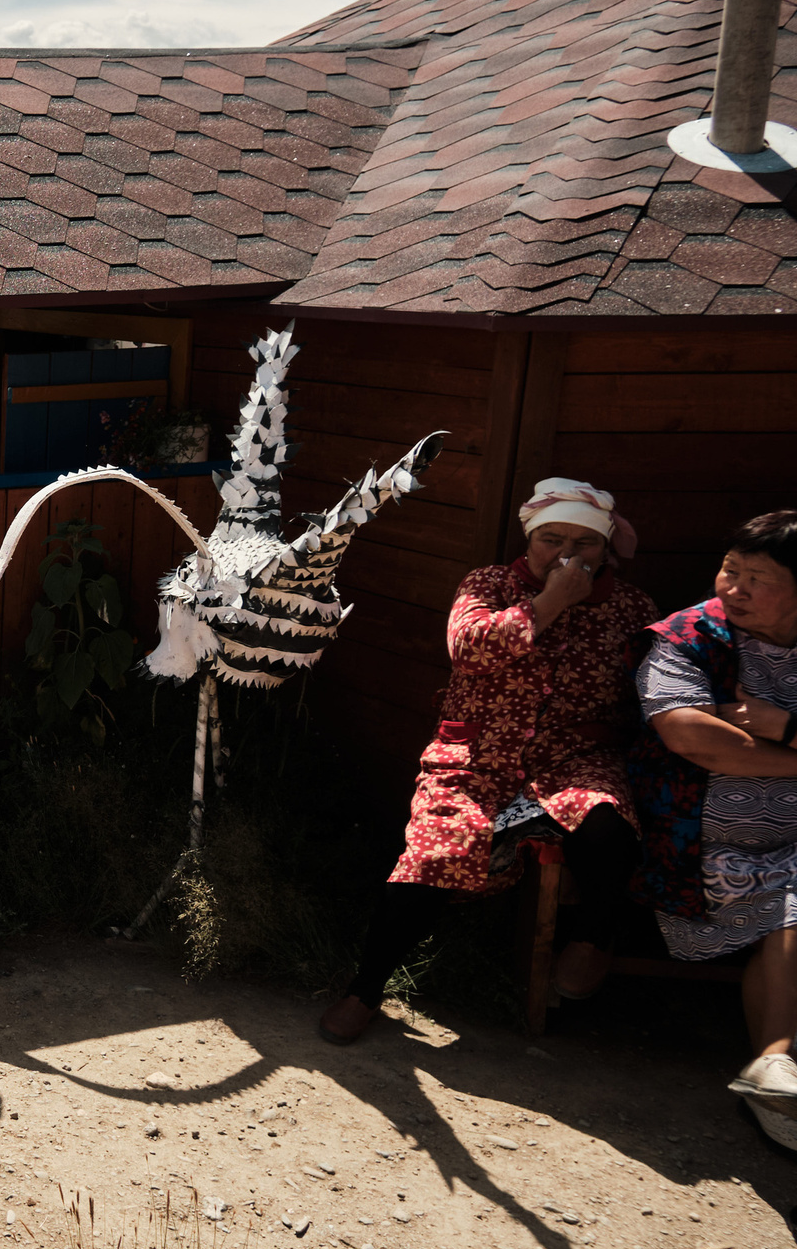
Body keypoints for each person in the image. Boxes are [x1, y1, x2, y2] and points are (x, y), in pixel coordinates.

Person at [318, 480, 658, 1043]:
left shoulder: (631, 606)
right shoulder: (489, 584)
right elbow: (468, 649)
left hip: (573, 756)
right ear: (530, 540)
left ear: (606, 548)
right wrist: (549, 603)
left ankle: (594, 937)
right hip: (477, 755)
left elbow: (648, 687)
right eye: (552, 539)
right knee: (429, 858)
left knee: (607, 825)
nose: (568, 553)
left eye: (585, 543)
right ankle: (366, 987)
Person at [630, 510, 797, 1147]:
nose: (734, 588)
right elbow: (692, 735)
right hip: (703, 840)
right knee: (792, 908)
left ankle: (775, 1070)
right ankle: (776, 1073)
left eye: (759, 578)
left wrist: (785, 726)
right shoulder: (688, 634)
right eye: (731, 570)